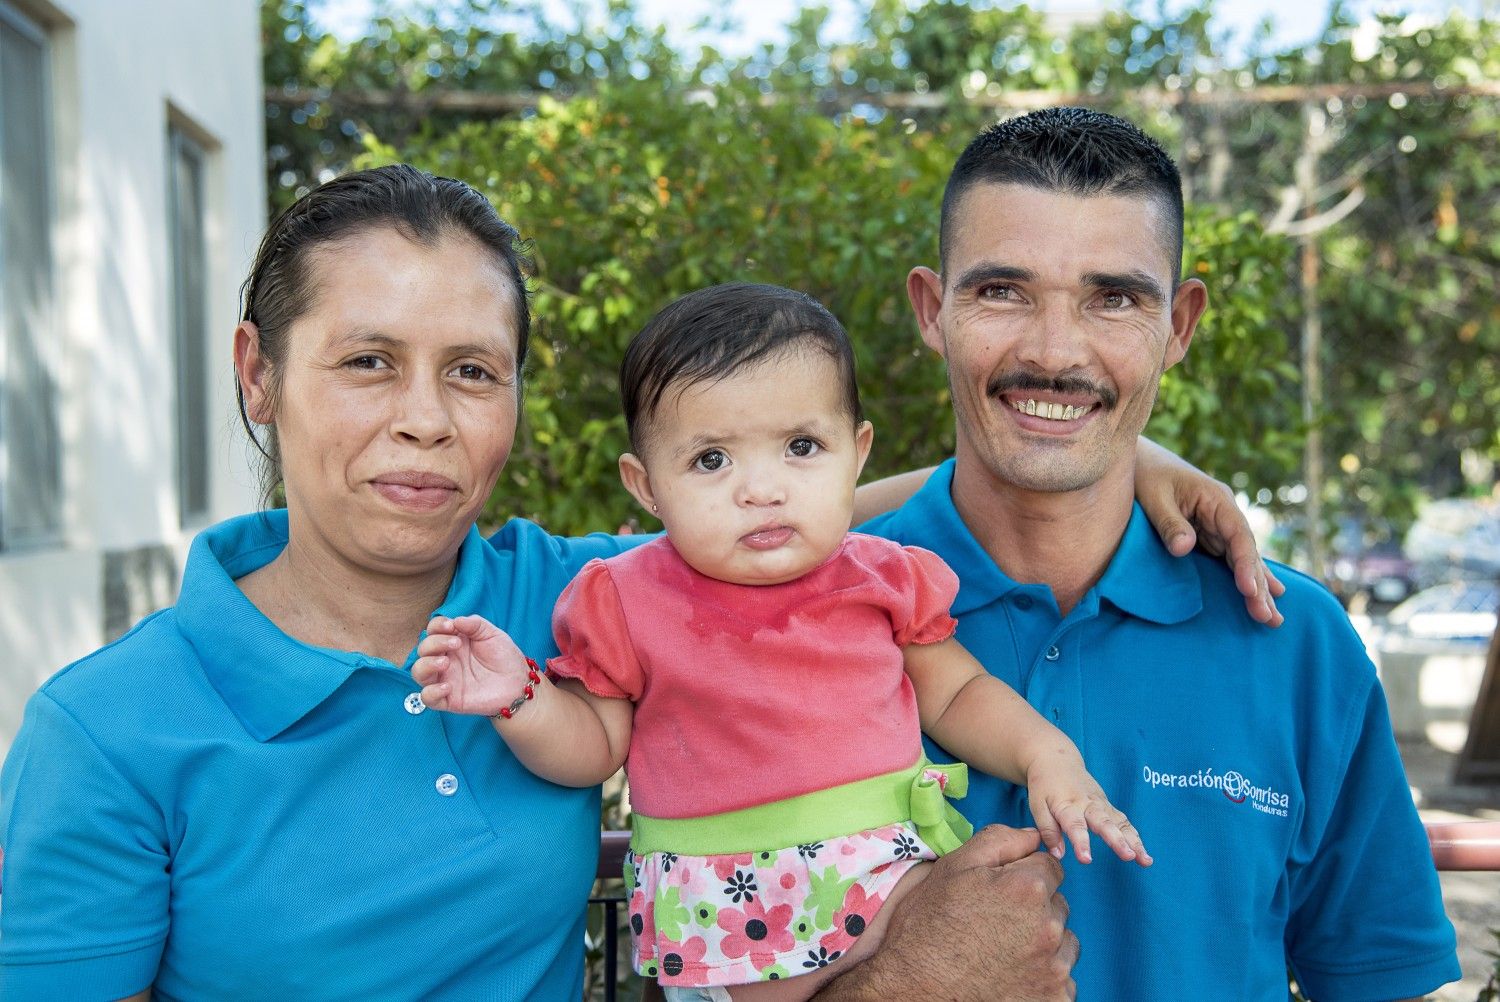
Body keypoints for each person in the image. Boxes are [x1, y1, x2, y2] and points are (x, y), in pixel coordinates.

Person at [0, 163, 1262, 1001]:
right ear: (258, 374)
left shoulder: (582, 592)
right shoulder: (109, 732)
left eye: (474, 371)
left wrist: (1116, 443)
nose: (425, 421)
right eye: (367, 362)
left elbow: (796, 512)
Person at [861, 107, 1462, 999]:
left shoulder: (1295, 643)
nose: (1055, 352)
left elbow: (1380, 980)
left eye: (1115, 298)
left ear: (1178, 326)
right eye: (1002, 291)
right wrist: (908, 983)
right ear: (930, 310)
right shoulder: (790, 610)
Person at [412, 282, 1152, 1002]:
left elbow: (957, 692)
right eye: (711, 460)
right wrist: (521, 697)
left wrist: (1047, 756)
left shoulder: (883, 578)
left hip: (890, 881)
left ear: (856, 452)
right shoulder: (626, 596)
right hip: (721, 915)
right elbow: (594, 748)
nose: (760, 489)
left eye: (801, 446)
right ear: (645, 486)